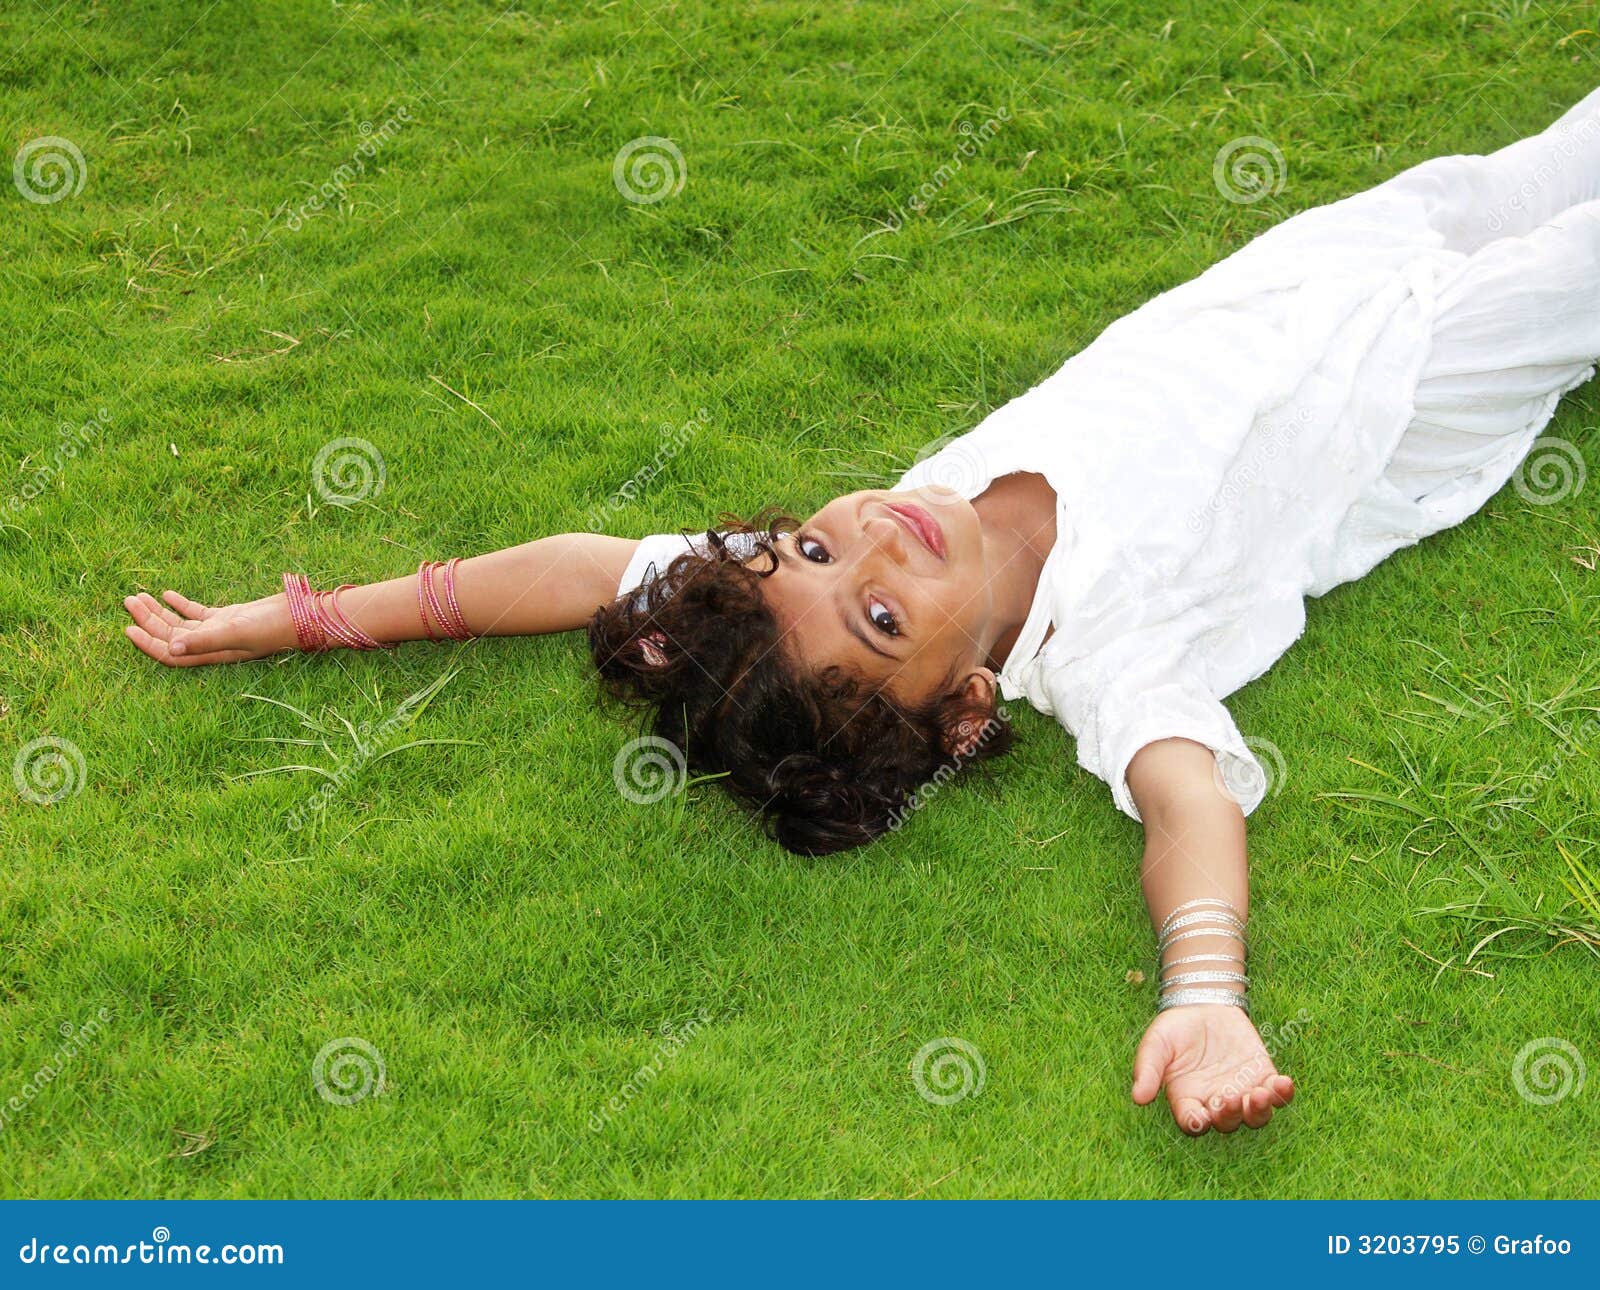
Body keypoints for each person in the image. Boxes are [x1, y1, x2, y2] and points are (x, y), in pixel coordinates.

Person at [123, 86, 1600, 1135]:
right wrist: (1204, 991)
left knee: (1539, 166)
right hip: (1422, 387)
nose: (871, 550)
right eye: (882, 621)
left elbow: (581, 567)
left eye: (810, 551)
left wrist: (301, 617)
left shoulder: (842, 558)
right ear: (964, 705)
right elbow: (1186, 801)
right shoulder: (1107, 653)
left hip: (1313, 273)